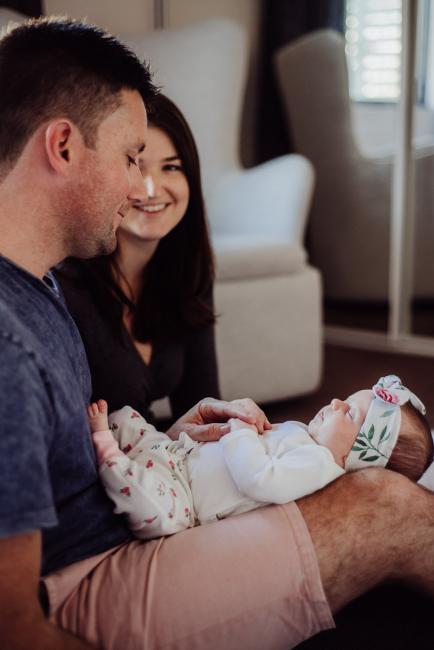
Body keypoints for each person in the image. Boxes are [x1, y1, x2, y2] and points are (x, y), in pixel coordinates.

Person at [1, 16, 434, 650]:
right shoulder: (11, 345)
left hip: (135, 517)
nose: (139, 184)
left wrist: (171, 442)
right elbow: (15, 627)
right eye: (129, 157)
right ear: (63, 147)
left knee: (371, 484)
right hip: (87, 580)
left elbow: (67, 458)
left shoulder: (34, 289)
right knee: (387, 508)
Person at [87, 375, 433, 539]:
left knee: (151, 509)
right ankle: (115, 442)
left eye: (350, 414)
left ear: (361, 458)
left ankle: (108, 453)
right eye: (344, 398)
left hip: (185, 499)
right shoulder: (305, 435)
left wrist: (244, 433)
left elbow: (260, 479)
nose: (334, 403)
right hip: (178, 457)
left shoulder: (319, 466)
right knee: (128, 418)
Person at [55, 92, 220, 423]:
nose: (151, 189)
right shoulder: (64, 284)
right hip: (91, 466)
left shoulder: (187, 273)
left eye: (171, 167)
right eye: (134, 164)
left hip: (148, 458)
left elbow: (204, 409)